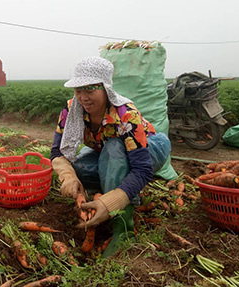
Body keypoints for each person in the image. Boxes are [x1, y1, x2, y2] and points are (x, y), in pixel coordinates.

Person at [51, 56, 175, 257]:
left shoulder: (125, 114)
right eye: (78, 90)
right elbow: (57, 152)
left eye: (90, 89)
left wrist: (110, 203)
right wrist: (69, 176)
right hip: (110, 154)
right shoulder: (72, 110)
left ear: (106, 88)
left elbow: (142, 170)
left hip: (151, 149)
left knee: (115, 147)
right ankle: (117, 188)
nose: (83, 97)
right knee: (79, 167)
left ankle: (123, 229)